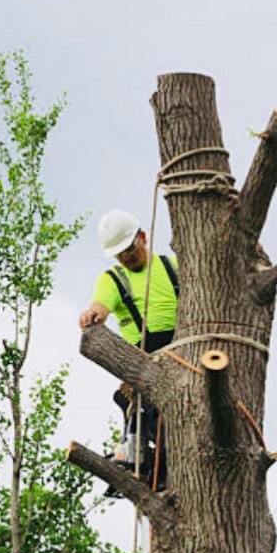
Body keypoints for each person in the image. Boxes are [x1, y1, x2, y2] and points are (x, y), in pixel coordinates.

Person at [79, 209, 179, 492]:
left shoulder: (173, 265)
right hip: (144, 358)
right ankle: (143, 457)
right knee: (138, 405)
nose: (125, 257)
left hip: (183, 352)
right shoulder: (113, 279)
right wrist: (93, 314)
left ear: (143, 237)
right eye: (119, 254)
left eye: (129, 249)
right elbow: (101, 305)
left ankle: (157, 463)